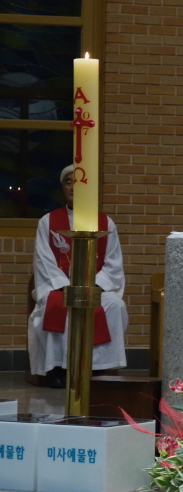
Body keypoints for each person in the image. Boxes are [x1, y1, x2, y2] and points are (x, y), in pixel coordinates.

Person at [28, 165, 128, 387]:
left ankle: (99, 369)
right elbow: (43, 261)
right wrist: (67, 288)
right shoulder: (47, 221)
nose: (73, 187)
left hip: (96, 288)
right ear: (63, 188)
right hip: (58, 287)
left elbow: (113, 263)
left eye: (78, 182)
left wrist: (91, 287)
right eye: (68, 182)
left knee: (114, 305)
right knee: (58, 304)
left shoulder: (105, 223)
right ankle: (60, 369)